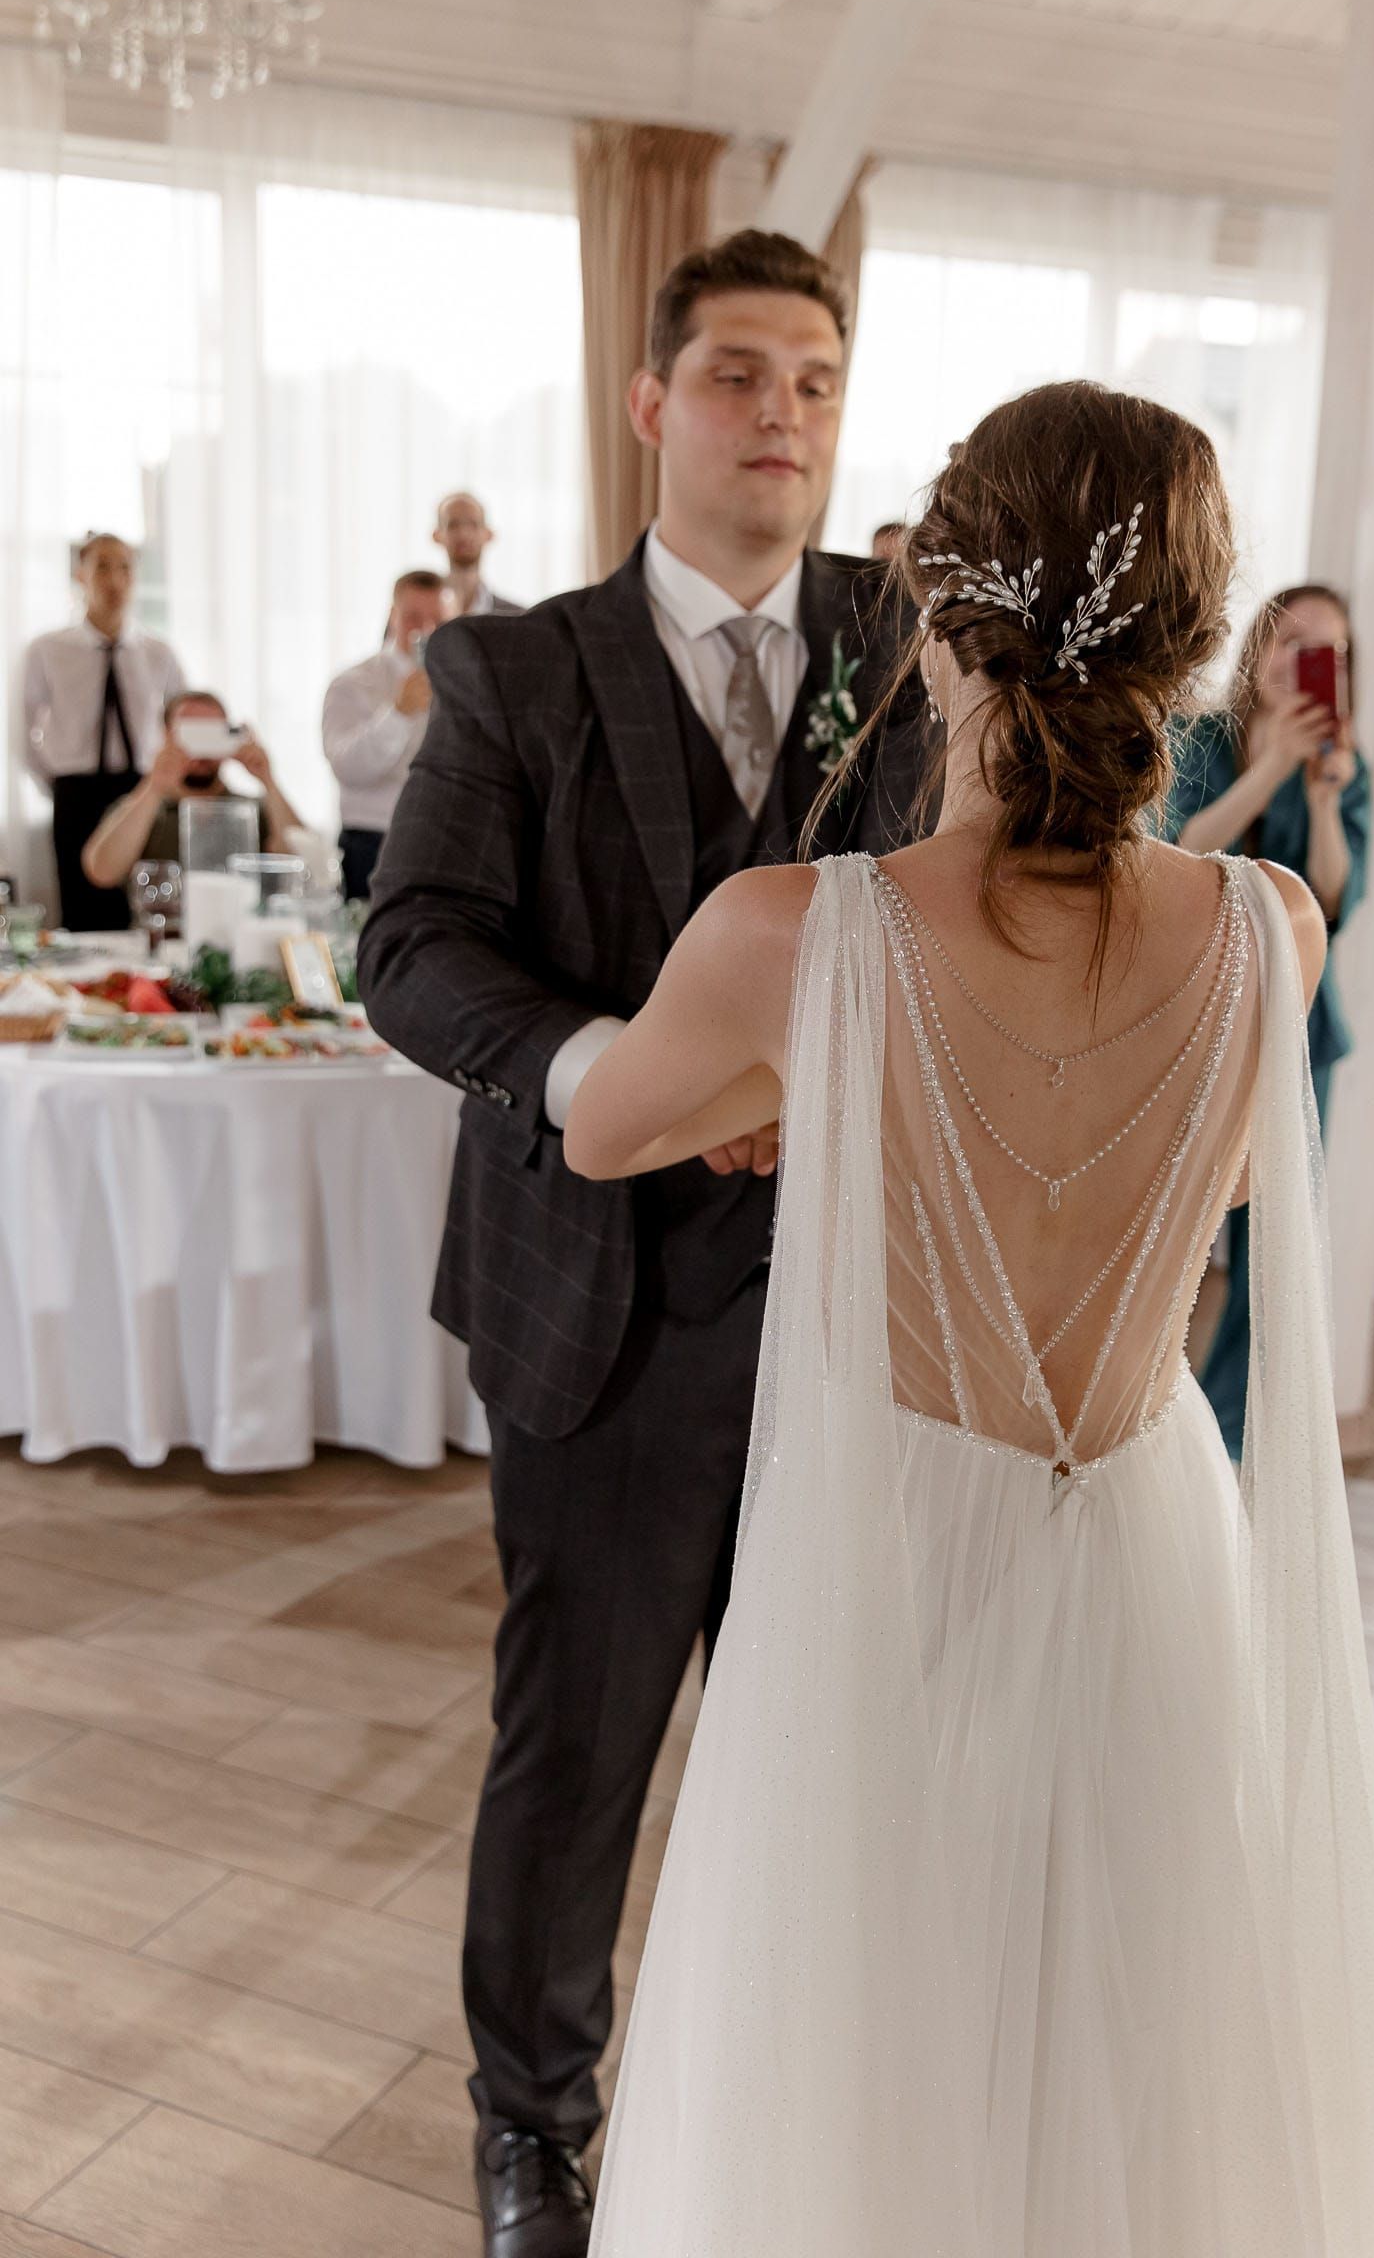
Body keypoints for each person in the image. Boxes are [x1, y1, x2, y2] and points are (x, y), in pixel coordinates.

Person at [565, 383, 1374, 2258]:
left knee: (863, 2055)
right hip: (1144, 1531)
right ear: (1200, 653)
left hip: (896, 1547)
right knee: (1149, 2050)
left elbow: (605, 1123)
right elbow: (1209, 1191)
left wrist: (791, 1092)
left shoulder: (799, 934)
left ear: (932, 612)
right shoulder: (1269, 927)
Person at [358, 227, 925, 2258]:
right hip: (591, 1318)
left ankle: (769, 2111)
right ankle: (533, 2130)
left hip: (860, 1326)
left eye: (813, 385)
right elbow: (411, 948)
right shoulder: (512, 667)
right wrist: (608, 1071)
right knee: (573, 1755)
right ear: (649, 401)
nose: (778, 416)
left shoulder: (916, 639)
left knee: (825, 1750)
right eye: (738, 375)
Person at [1163, 582, 1370, 1461]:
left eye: (1328, 651)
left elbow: (1333, 898)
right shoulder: (1204, 738)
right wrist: (1270, 768)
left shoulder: (1347, 765)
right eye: (1292, 642)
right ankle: (1148, 1421)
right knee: (1169, 1230)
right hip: (1194, 1017)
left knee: (1273, 1255)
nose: (1305, 663)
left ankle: (1221, 1438)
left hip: (1301, 1026)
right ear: (1258, 650)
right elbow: (1178, 847)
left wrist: (1323, 794)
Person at [22, 532, 186, 930]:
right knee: (81, 909)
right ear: (81, 575)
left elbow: (180, 722)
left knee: (142, 906)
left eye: (125, 568)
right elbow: (25, 730)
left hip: (139, 789)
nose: (114, 580)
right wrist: (58, 781)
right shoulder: (47, 650)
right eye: (102, 567)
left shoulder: (158, 652)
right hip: (75, 790)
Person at [81, 691, 302, 891]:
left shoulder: (251, 810)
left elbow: (303, 864)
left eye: (213, 733)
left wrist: (268, 781)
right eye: (191, 732)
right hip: (163, 930)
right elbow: (102, 872)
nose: (201, 750)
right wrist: (154, 786)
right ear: (166, 736)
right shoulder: (143, 807)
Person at [322, 570, 450, 901]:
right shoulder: (352, 684)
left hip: (446, 844)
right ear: (392, 616)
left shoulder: (465, 684)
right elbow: (347, 766)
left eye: (437, 619)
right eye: (413, 618)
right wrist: (399, 714)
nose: (426, 630)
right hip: (372, 843)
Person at [434, 490, 523, 617]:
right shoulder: (424, 618)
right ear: (437, 536)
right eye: (453, 525)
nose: (463, 534)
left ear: (488, 534)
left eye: (473, 524)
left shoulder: (515, 617)